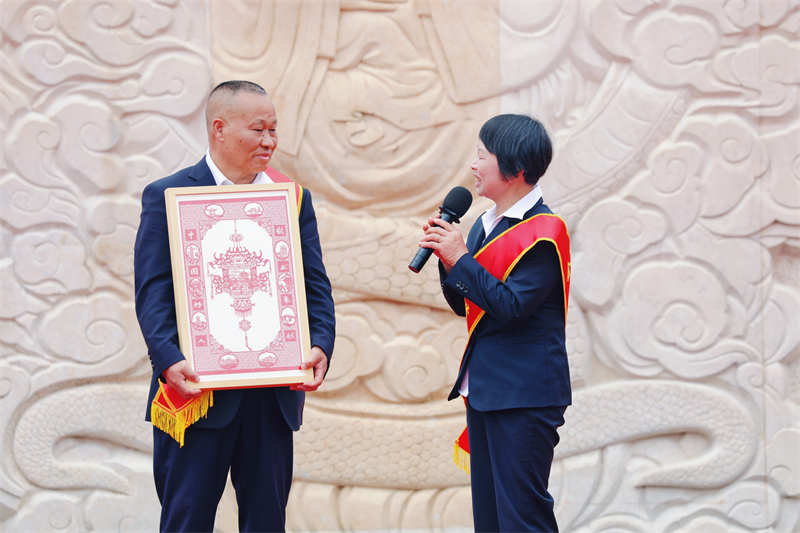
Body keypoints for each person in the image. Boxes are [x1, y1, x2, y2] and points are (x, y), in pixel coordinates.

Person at [134, 80, 335, 532]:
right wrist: (168, 358)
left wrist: (321, 344)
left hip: (272, 393)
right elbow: (153, 290)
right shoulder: (169, 194)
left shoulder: (292, 198)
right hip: (196, 391)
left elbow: (315, 286)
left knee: (267, 522)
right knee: (187, 521)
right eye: (258, 130)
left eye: (274, 130)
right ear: (219, 129)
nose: (269, 141)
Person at [419, 114, 571, 532]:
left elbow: (512, 306)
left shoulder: (545, 233)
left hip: (524, 394)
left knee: (522, 516)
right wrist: (448, 260)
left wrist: (460, 258)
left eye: (482, 156)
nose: (474, 165)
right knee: (490, 518)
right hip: (486, 389)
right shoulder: (484, 226)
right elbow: (464, 304)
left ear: (515, 168)